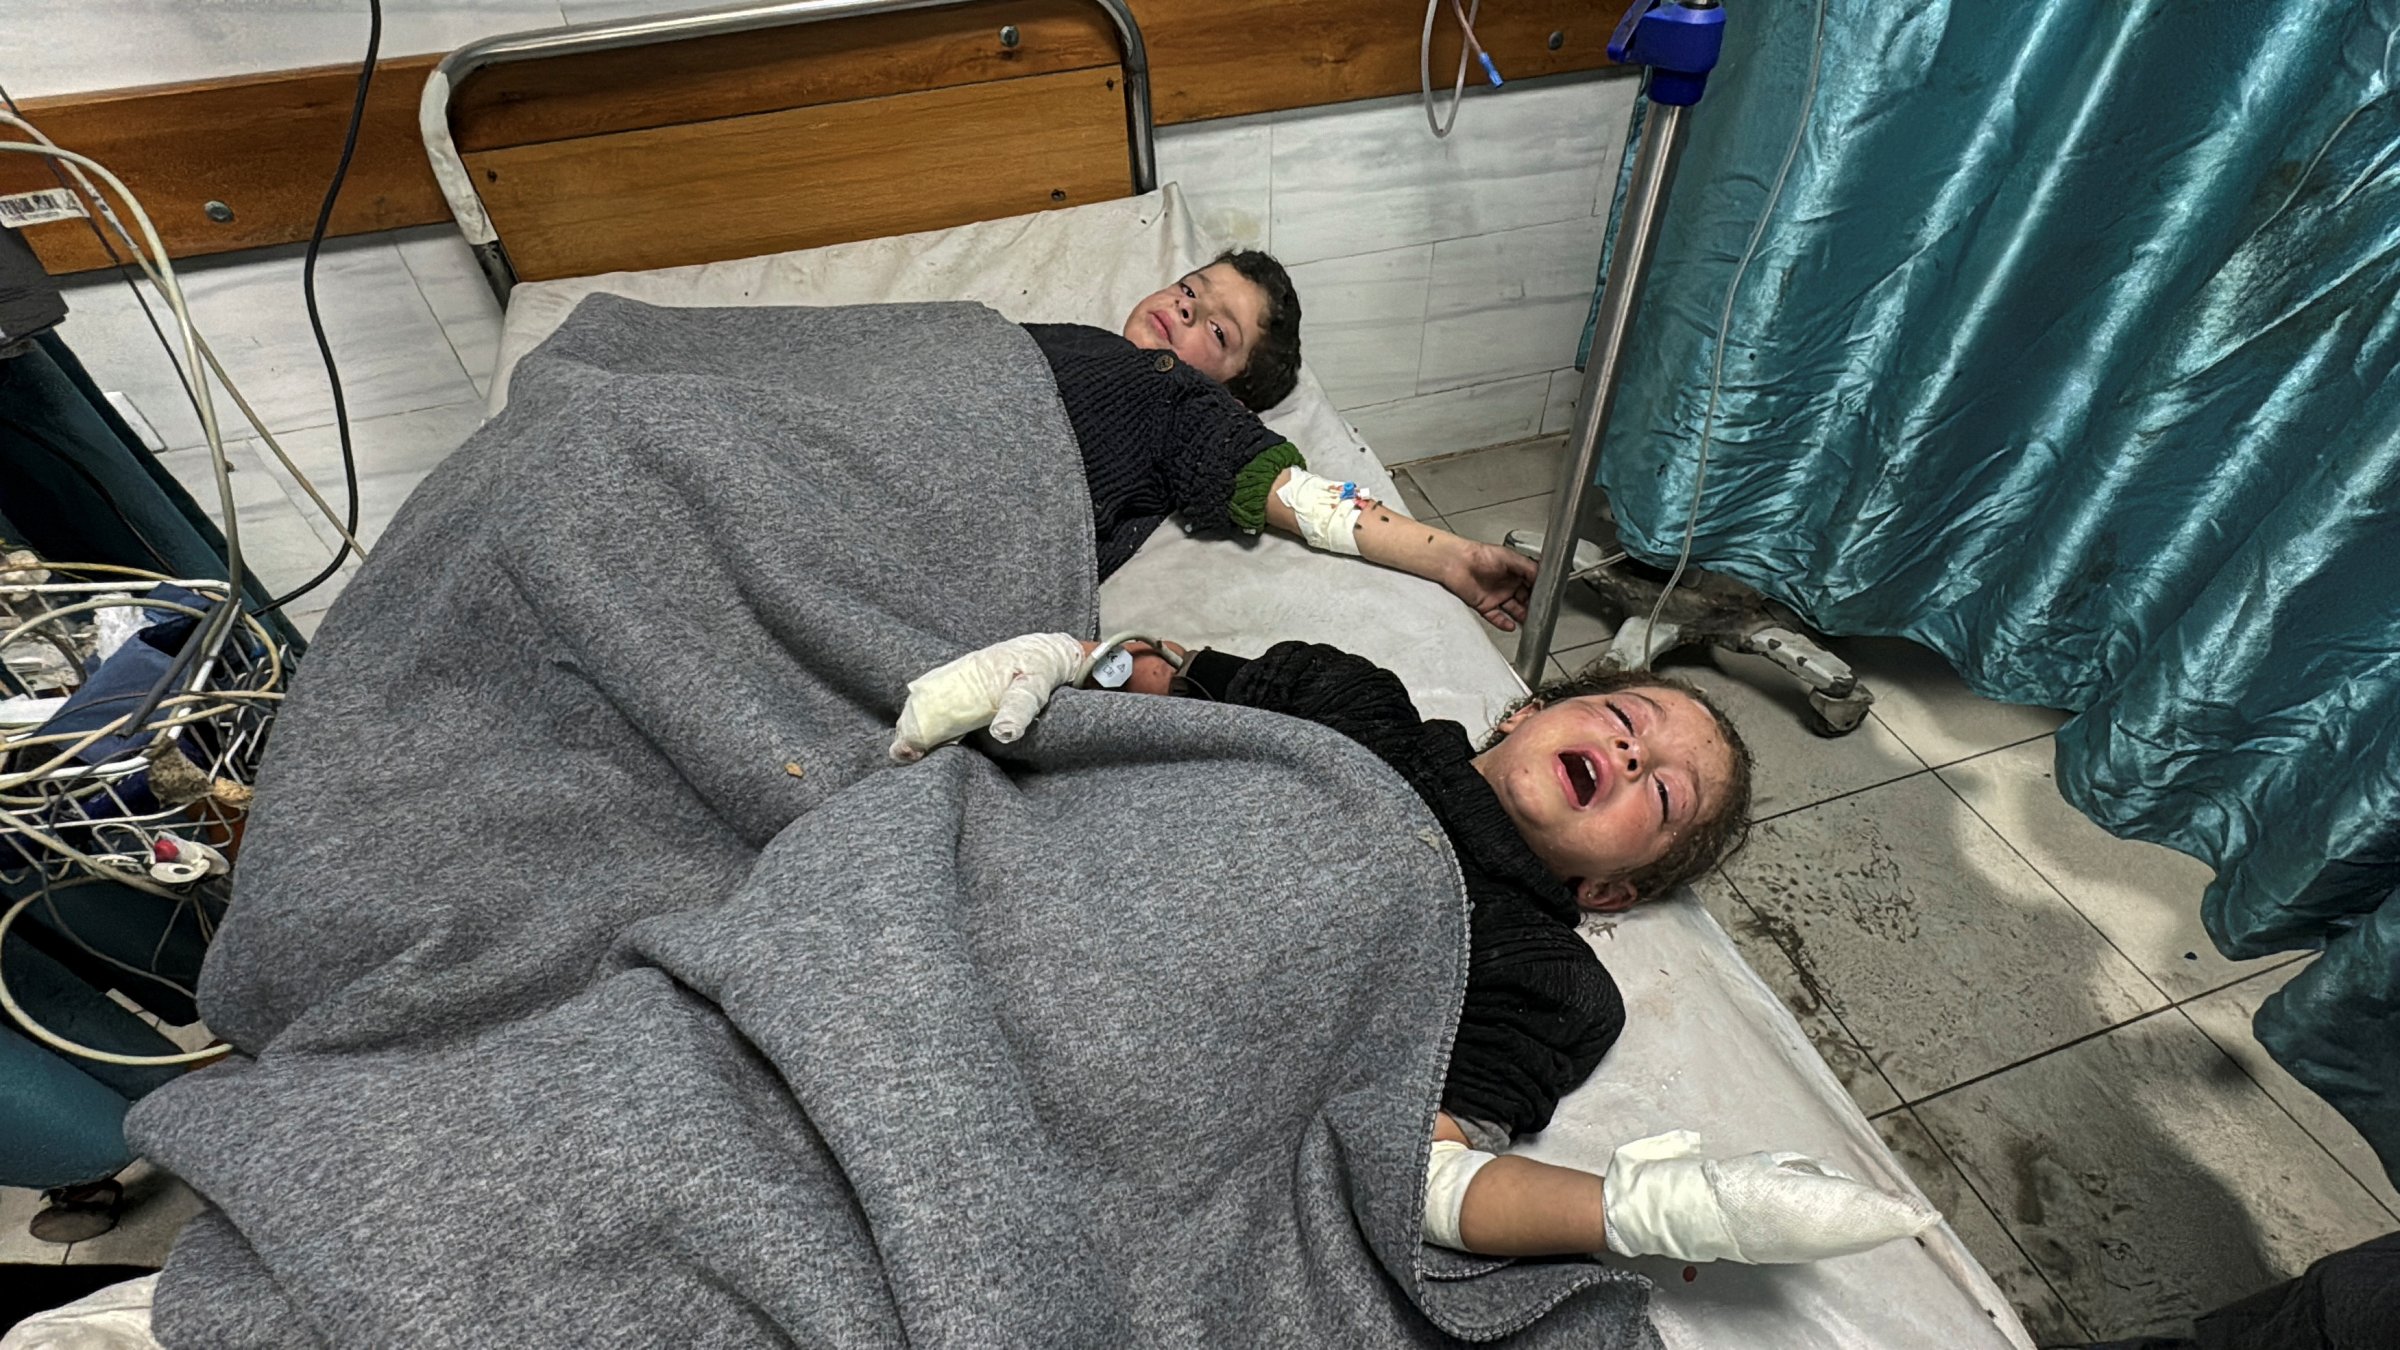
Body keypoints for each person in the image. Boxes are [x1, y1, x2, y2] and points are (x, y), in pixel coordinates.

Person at [888, 633, 1943, 1264]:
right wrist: (1061, 659)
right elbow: (1154, 680)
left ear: (1613, 889)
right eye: (1626, 717)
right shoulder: (1352, 697)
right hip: (1019, 910)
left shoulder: (1548, 978)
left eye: (1660, 792)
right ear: (1532, 710)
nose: (1630, 751)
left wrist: (1661, 1214)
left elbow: (1427, 1179)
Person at [1026, 251, 1541, 631]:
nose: (1186, 308)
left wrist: (1454, 558)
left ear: (1229, 398)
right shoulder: (1078, 338)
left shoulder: (1184, 406)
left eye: (1219, 331)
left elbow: (1304, 498)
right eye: (1189, 289)